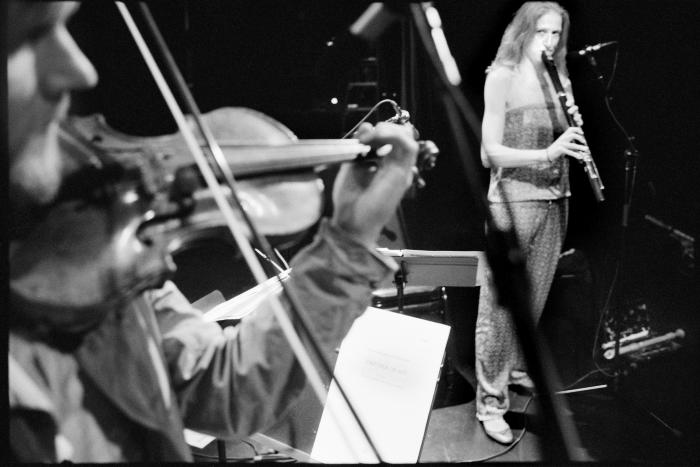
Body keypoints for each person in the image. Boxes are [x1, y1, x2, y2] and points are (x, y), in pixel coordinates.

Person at [7, 1, 419, 462]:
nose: (80, 71)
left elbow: (223, 388)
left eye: (65, 28)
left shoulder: (90, 248)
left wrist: (348, 238)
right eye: (30, 36)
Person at [474, 1, 589, 444]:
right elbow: (489, 154)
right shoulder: (500, 77)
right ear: (522, 33)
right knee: (500, 309)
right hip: (514, 199)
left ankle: (515, 372)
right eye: (542, 32)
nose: (550, 41)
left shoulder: (560, 78)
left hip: (556, 197)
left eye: (557, 33)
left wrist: (570, 139)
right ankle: (490, 403)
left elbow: (564, 137)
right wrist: (548, 152)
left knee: (536, 297)